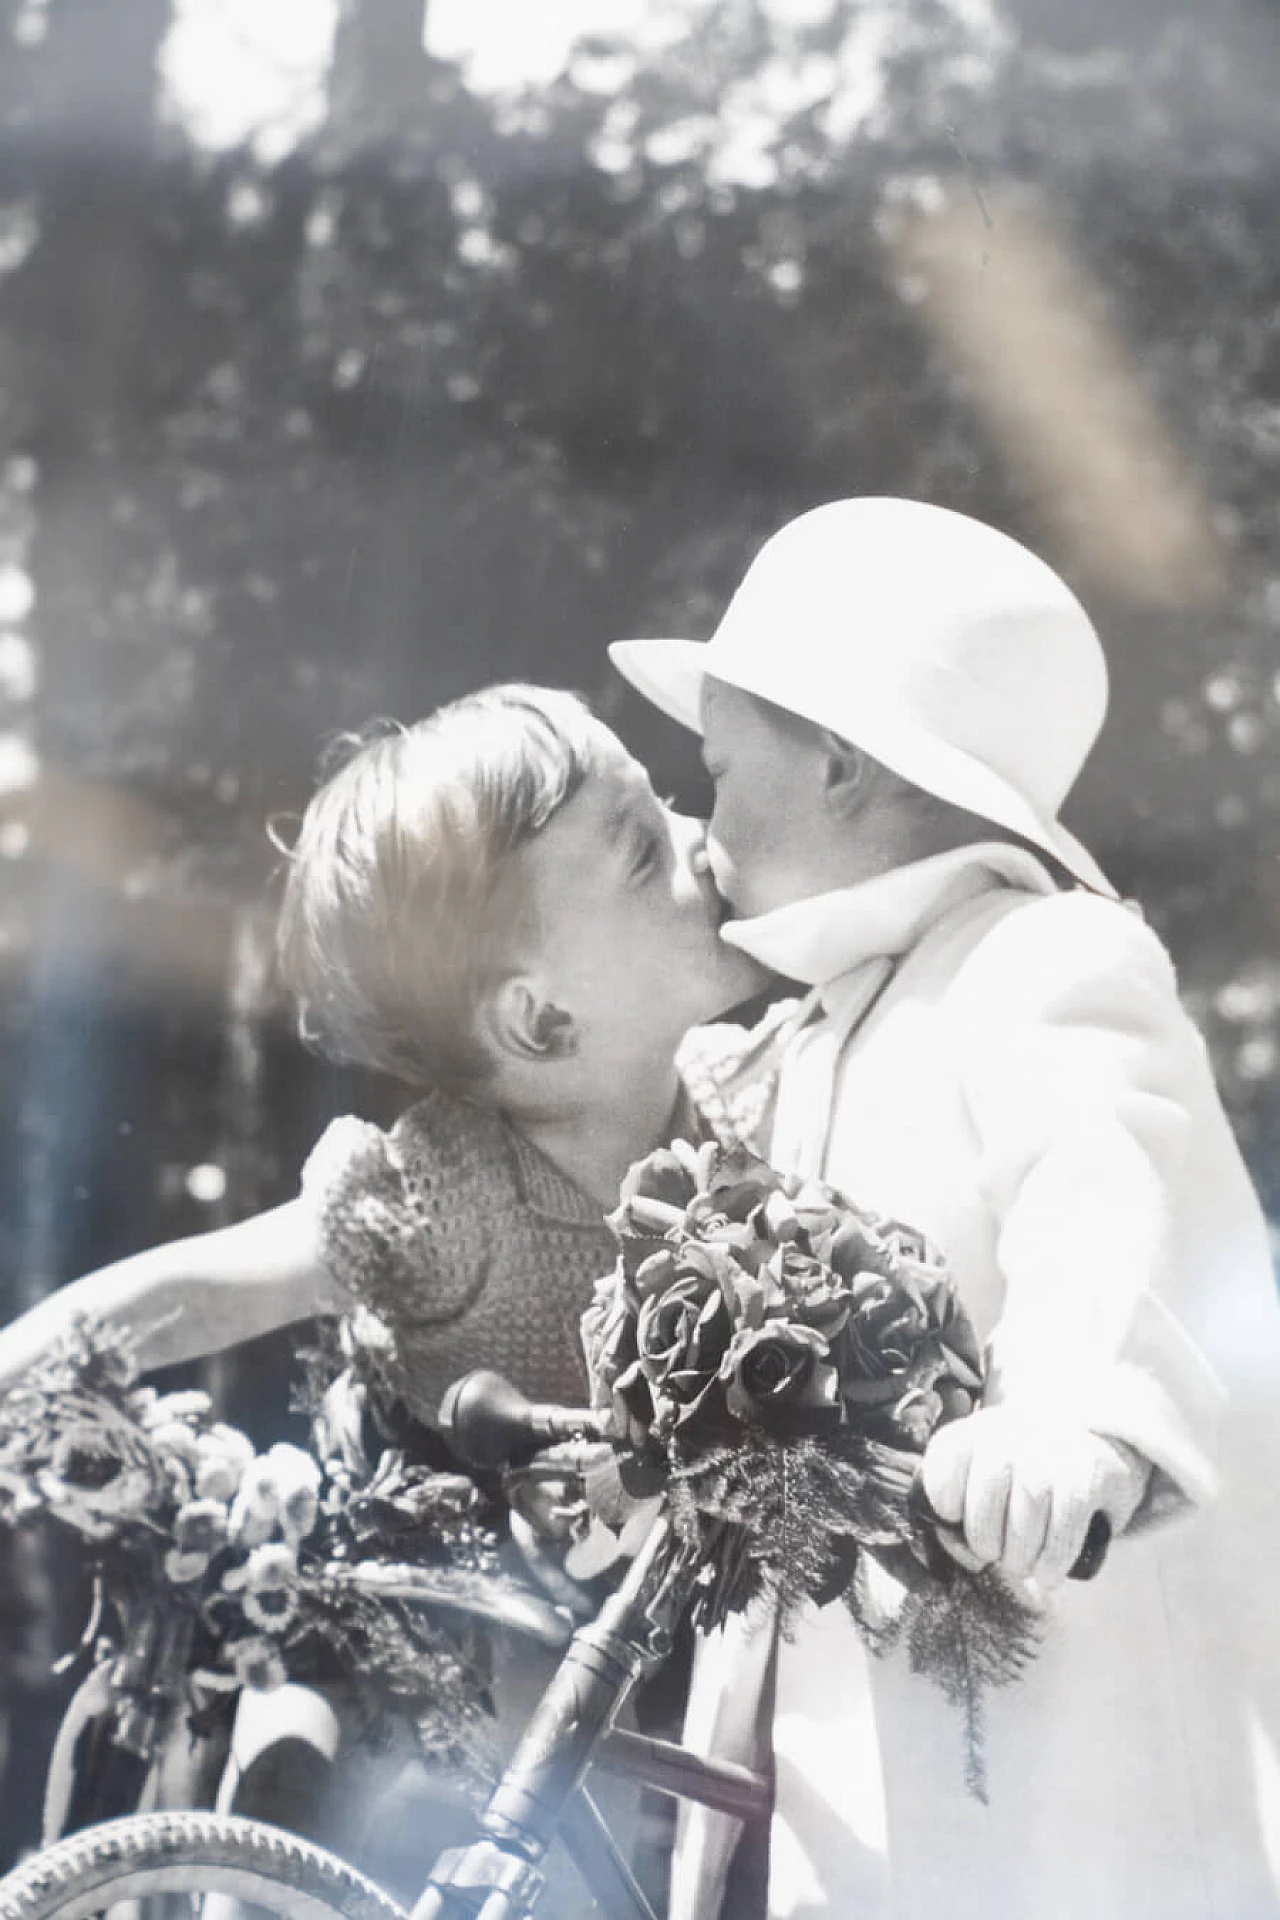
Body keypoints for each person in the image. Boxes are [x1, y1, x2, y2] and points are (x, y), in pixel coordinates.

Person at [611, 496, 1280, 1919]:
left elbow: (1101, 1187)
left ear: (843, 763)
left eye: (724, 769)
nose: (703, 813)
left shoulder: (1042, 958)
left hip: (1067, 1747)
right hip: (869, 1751)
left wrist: (1071, 1416)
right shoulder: (821, 1029)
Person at [0, 681, 772, 1907]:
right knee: (295, 1779)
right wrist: (20, 1383)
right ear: (539, 1016)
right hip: (408, 1629)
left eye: (664, 805)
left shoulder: (754, 1104)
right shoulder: (444, 1193)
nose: (696, 836)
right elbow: (201, 1291)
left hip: (630, 1628)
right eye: (639, 848)